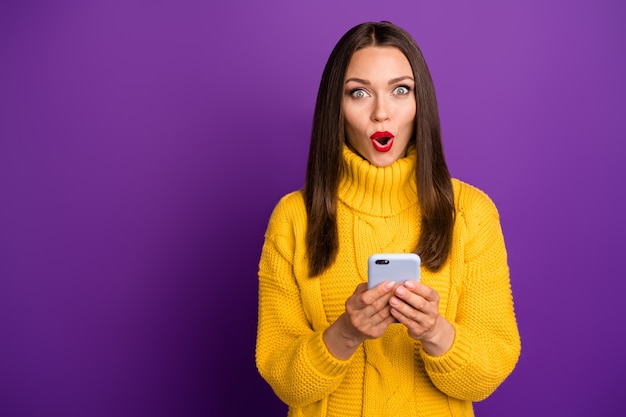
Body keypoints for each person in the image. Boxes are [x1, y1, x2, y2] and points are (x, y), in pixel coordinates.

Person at [255, 21, 521, 417]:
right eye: (359, 93)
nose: (382, 112)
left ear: (420, 102)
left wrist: (434, 332)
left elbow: (486, 377)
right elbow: (285, 381)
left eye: (400, 90)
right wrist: (345, 333)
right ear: (337, 108)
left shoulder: (471, 214)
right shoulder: (294, 218)